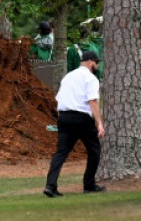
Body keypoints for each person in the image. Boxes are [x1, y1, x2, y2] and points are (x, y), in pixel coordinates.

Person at [44, 50, 105, 197]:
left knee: (61, 153)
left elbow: (59, 98)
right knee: (94, 151)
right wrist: (100, 123)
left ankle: (50, 186)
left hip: (64, 117)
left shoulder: (68, 77)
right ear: (91, 61)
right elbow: (92, 101)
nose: (97, 65)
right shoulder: (91, 79)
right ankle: (89, 185)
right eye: (97, 62)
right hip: (82, 118)